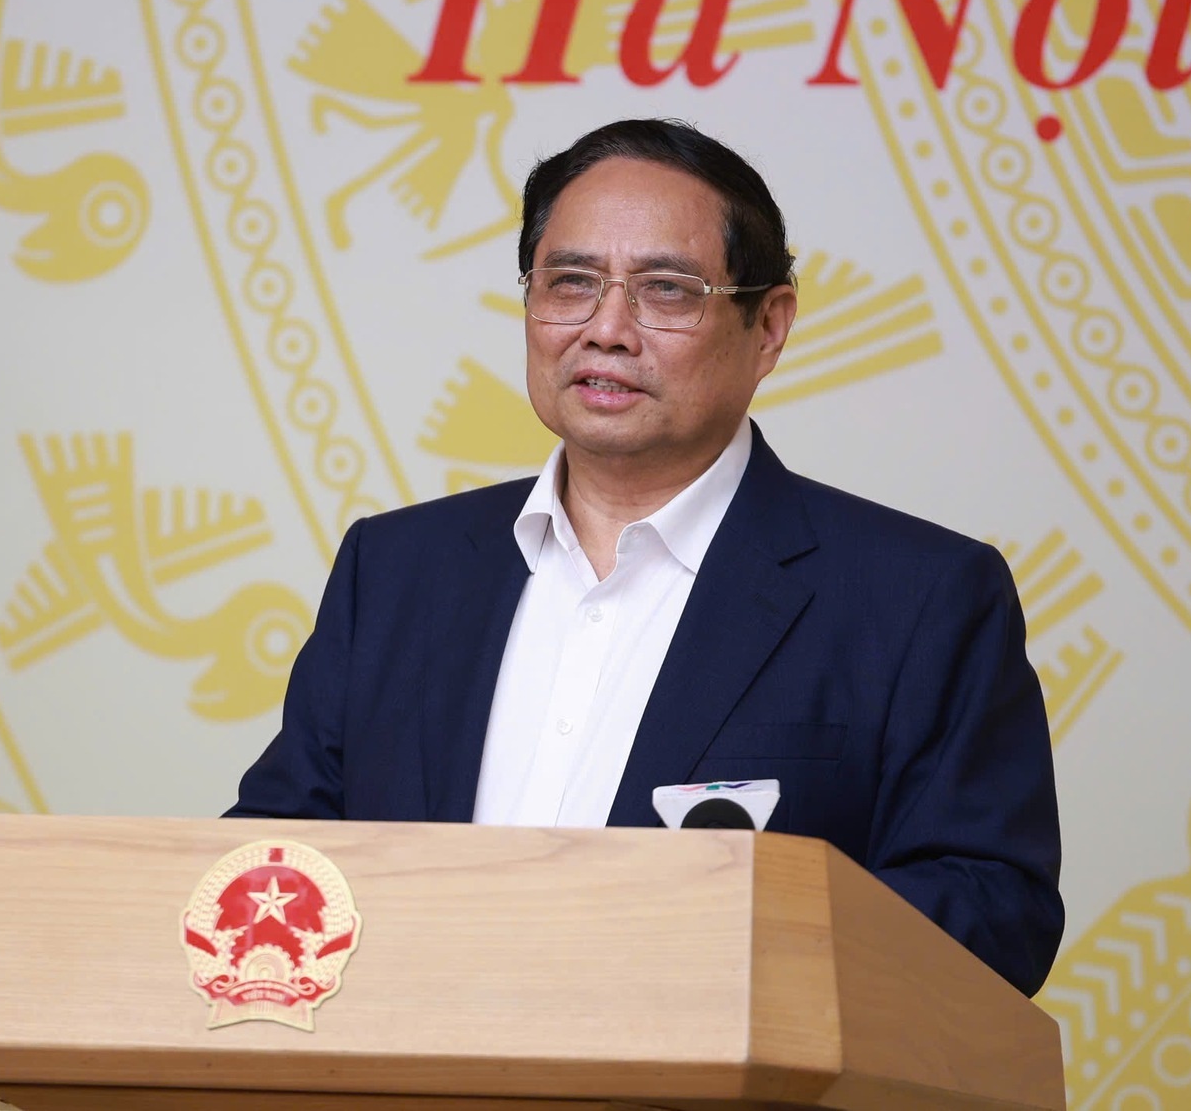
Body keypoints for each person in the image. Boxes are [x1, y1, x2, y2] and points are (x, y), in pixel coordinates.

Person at [228, 118, 1063, 997]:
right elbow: (271, 860)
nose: (607, 330)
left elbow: (993, 916)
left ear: (769, 326)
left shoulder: (918, 598)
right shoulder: (397, 570)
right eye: (571, 282)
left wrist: (692, 947)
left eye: (667, 290)